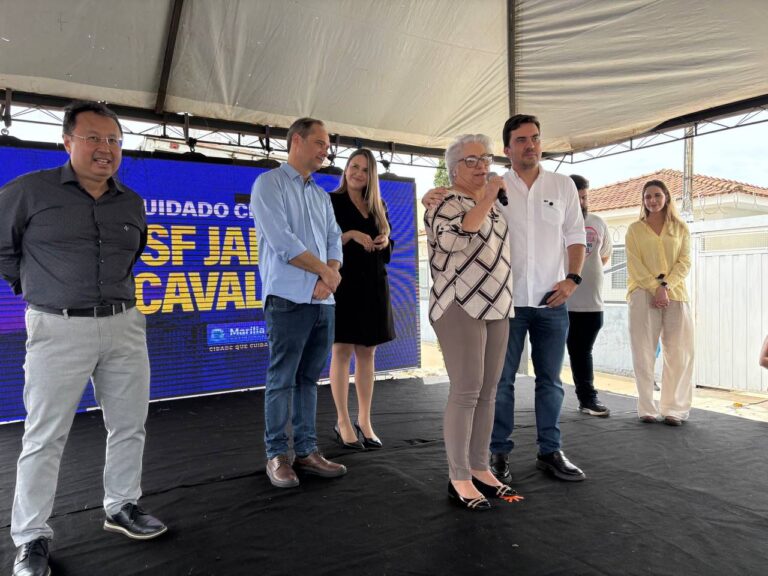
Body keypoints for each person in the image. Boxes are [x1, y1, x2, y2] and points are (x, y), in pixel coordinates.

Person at [0, 101, 166, 576]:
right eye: (93, 138)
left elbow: (132, 254)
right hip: (57, 327)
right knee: (44, 435)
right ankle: (31, 537)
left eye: (114, 140)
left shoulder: (130, 201)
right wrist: (34, 286)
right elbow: (3, 249)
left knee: (129, 424)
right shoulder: (29, 191)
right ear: (67, 141)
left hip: (124, 324)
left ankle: (122, 505)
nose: (105, 149)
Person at [425, 115, 587, 483]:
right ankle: (495, 454)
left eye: (535, 138)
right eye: (522, 140)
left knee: (551, 381)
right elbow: (455, 210)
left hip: (550, 300)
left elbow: (576, 235)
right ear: (508, 149)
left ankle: (550, 450)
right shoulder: (493, 186)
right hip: (503, 303)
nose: (531, 145)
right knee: (497, 384)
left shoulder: (562, 185)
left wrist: (573, 279)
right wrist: (430, 195)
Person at [250, 117, 347, 489]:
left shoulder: (321, 195)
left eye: (327, 146)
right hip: (288, 299)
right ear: (296, 141)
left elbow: (334, 239)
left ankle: (306, 451)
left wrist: (330, 274)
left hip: (324, 302)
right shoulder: (269, 183)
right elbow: (282, 241)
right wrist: (325, 272)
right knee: (282, 379)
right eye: (320, 143)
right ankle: (277, 454)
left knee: (309, 379)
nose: (326, 152)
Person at [424, 134, 518, 510]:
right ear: (453, 169)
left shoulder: (493, 206)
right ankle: (459, 476)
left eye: (486, 159)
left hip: (498, 305)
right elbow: (454, 240)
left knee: (488, 391)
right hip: (459, 304)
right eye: (472, 160)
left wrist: (489, 199)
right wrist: (488, 198)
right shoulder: (443, 202)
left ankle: (480, 467)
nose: (482, 166)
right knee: (466, 390)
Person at [328, 149, 395, 450]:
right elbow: (323, 242)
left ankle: (364, 421)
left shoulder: (379, 205)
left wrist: (384, 241)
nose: (358, 173)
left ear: (372, 176)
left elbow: (388, 252)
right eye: (353, 166)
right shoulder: (330, 201)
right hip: (344, 285)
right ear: (345, 169)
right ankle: (342, 421)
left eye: (365, 170)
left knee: (367, 354)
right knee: (341, 350)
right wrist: (352, 234)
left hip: (374, 286)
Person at [625, 179, 693, 426]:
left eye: (656, 195)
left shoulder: (680, 228)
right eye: (647, 197)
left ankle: (674, 409)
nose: (652, 201)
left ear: (666, 197)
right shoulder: (635, 229)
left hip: (676, 293)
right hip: (642, 293)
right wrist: (655, 288)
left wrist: (666, 287)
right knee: (643, 351)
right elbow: (634, 264)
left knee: (679, 353)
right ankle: (647, 408)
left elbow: (685, 262)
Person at [565, 175, 613, 417]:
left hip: (591, 303)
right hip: (559, 303)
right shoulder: (555, 224)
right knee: (547, 355)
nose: (582, 202)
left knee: (582, 352)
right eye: (577, 198)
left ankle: (587, 399)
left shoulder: (597, 222)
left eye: (584, 197)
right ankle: (546, 402)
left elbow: (603, 257)